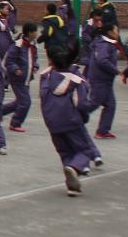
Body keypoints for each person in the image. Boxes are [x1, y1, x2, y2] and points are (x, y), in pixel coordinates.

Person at [40, 46, 98, 197]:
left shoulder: (45, 76)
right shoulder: (77, 81)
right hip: (71, 121)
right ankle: (75, 168)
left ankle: (72, 186)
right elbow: (82, 104)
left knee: (65, 152)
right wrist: (83, 118)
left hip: (52, 122)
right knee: (84, 150)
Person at [4, 23, 39, 132]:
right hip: (17, 79)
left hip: (27, 78)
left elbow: (35, 59)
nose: (37, 34)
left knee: (18, 102)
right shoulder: (17, 45)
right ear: (30, 33)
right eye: (35, 31)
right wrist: (16, 69)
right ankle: (15, 123)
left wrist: (35, 66)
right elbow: (9, 61)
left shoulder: (33, 45)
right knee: (25, 102)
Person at [88, 23, 121, 139]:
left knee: (110, 105)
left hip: (105, 80)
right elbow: (102, 61)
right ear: (110, 33)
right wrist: (115, 70)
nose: (118, 33)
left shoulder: (107, 44)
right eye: (116, 30)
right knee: (93, 104)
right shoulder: (104, 45)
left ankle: (102, 131)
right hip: (100, 80)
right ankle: (72, 118)